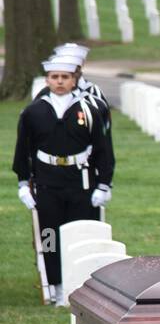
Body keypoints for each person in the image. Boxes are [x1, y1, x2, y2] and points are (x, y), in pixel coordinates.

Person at [13, 54, 115, 306]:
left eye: (65, 77)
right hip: (47, 184)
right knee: (49, 235)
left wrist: (104, 183)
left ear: (74, 79)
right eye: (54, 77)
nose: (59, 82)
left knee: (82, 233)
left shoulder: (91, 109)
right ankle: (56, 285)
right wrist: (24, 183)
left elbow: (103, 148)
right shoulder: (33, 111)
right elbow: (23, 150)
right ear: (47, 80)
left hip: (80, 183)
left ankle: (82, 284)